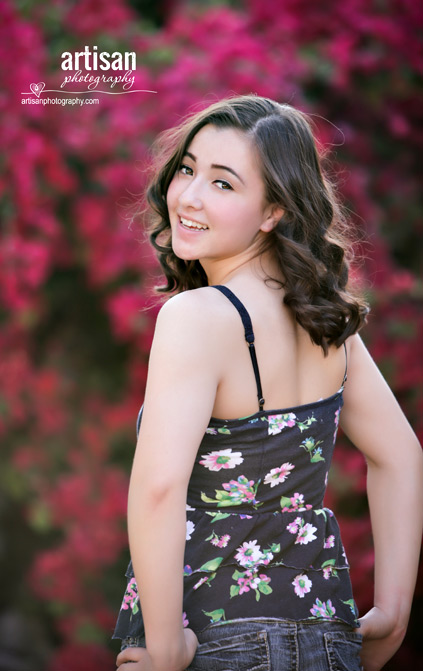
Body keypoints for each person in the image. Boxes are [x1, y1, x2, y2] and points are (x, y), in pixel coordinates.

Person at [113, 95, 423, 671]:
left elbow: (159, 488)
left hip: (218, 640)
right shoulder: (324, 320)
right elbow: (401, 454)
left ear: (273, 211)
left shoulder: (198, 316)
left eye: (224, 184)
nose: (188, 196)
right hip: (329, 638)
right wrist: (394, 611)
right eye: (188, 169)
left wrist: (165, 645)